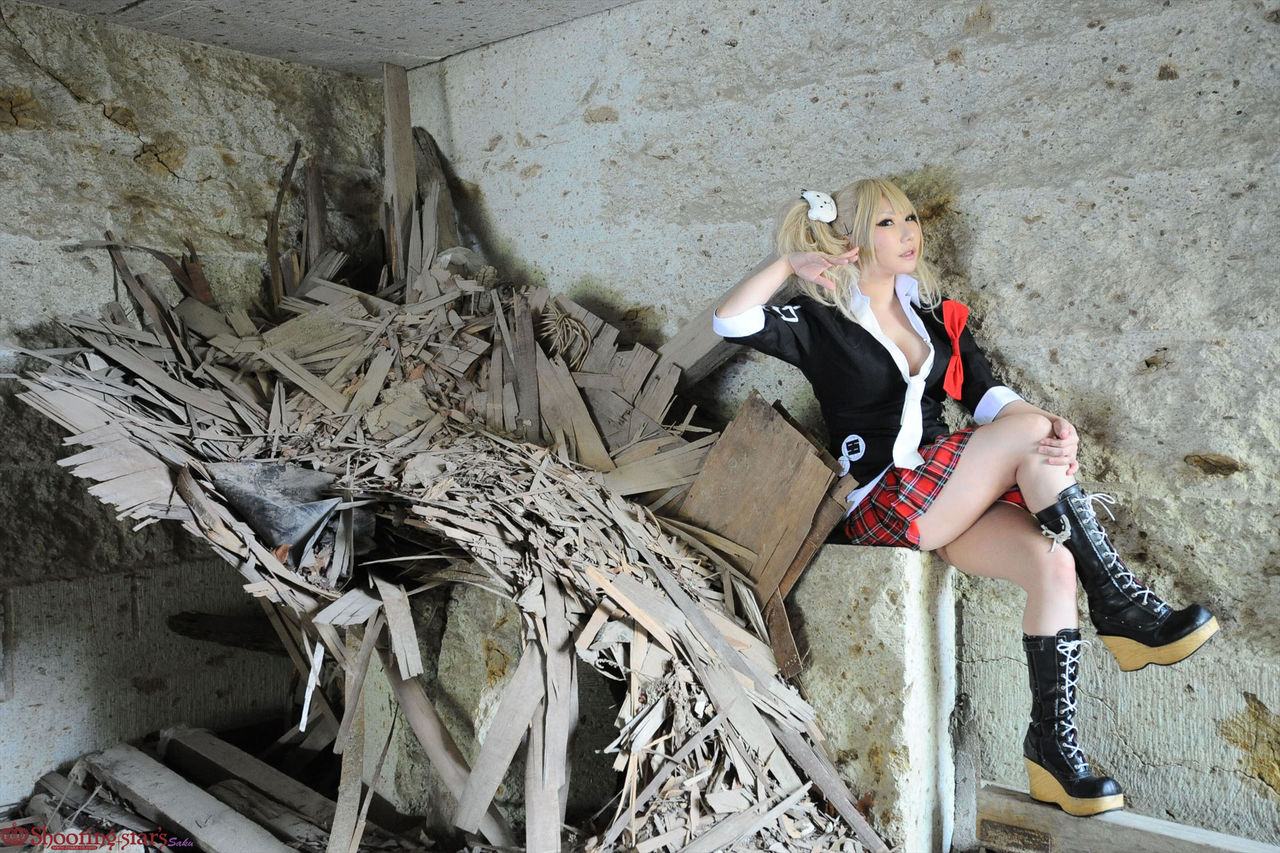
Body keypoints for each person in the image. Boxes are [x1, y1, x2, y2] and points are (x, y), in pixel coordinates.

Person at [709, 177, 1219, 817]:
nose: (909, 233)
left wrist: (1054, 428)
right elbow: (730, 321)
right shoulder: (819, 321)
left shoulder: (932, 313)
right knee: (1031, 437)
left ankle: (1053, 754)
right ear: (849, 239)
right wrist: (789, 264)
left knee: (1053, 563)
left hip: (945, 496)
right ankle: (1119, 606)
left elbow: (987, 396)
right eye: (888, 223)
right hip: (883, 499)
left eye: (911, 219)